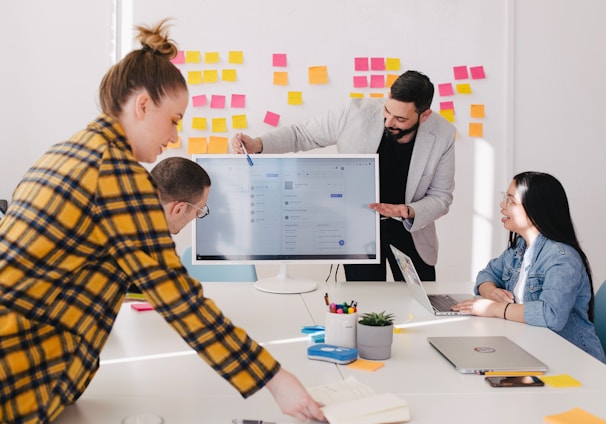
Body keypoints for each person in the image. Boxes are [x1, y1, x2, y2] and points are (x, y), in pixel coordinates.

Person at [0, 20, 325, 423]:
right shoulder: (115, 172)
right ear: (142, 106)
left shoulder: (65, 150)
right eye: (174, 120)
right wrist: (275, 379)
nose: (174, 138)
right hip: (19, 372)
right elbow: (177, 297)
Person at [232, 70, 456, 282]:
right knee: (366, 309)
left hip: (410, 230)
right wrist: (258, 144)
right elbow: (302, 134)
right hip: (359, 230)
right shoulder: (356, 112)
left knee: (421, 306)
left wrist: (407, 211)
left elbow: (441, 196)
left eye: (400, 119)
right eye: (387, 111)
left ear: (424, 115)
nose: (388, 122)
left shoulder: (443, 133)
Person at [452, 172, 606, 362]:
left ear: (536, 209)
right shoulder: (520, 248)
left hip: (575, 361)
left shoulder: (562, 258)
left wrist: (494, 308)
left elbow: (551, 315)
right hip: (534, 349)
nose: (502, 206)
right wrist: (491, 291)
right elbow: (487, 274)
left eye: (511, 201)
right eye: (504, 199)